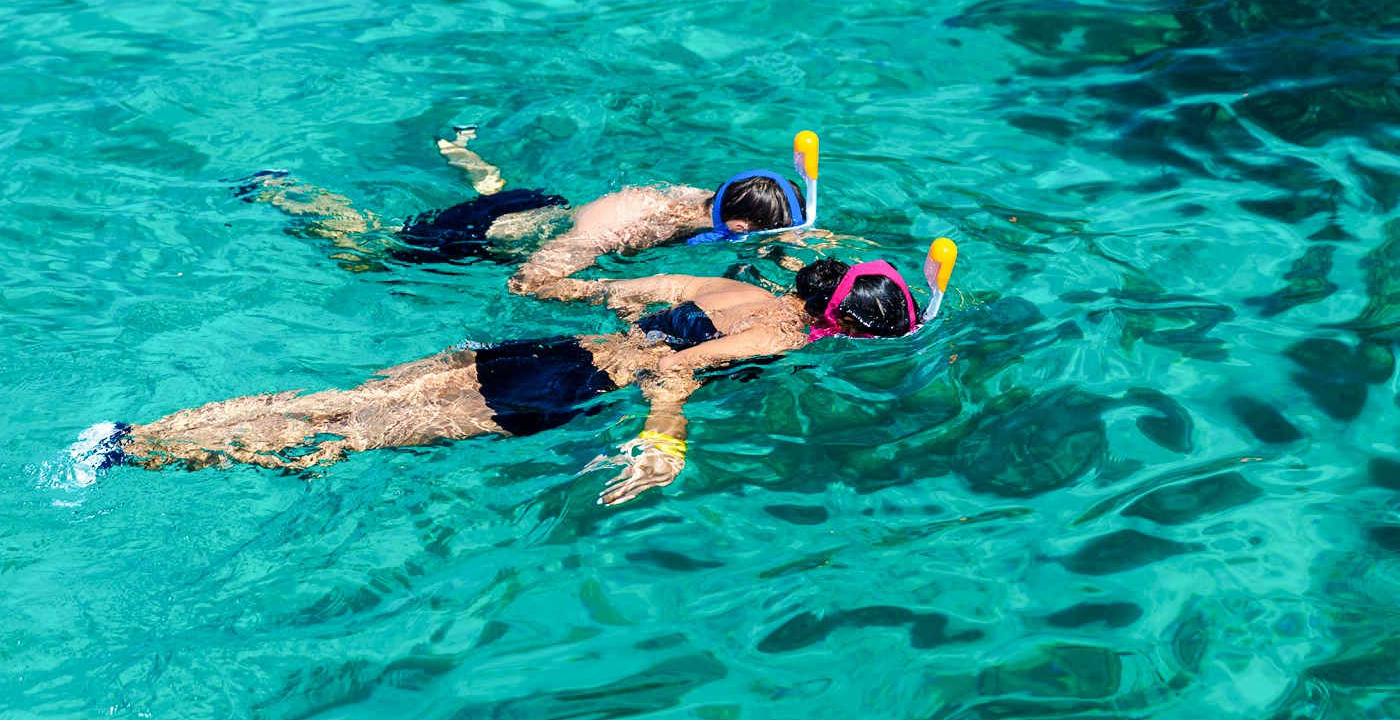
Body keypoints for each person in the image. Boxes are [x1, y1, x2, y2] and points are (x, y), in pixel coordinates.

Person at [71, 257, 922, 505]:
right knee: (346, 440)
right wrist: (666, 437)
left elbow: (621, 301)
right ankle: (134, 457)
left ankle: (129, 428)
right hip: (560, 394)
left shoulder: (736, 285)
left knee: (342, 400)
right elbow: (674, 367)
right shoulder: (783, 335)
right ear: (844, 324)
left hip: (544, 350)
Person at [236, 129, 809, 292]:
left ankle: (465, 152)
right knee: (366, 252)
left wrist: (794, 246)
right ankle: (283, 190)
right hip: (484, 235)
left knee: (515, 198)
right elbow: (527, 280)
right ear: (732, 226)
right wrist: (614, 295)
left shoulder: (700, 198)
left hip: (543, 209)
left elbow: (765, 230)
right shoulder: (623, 224)